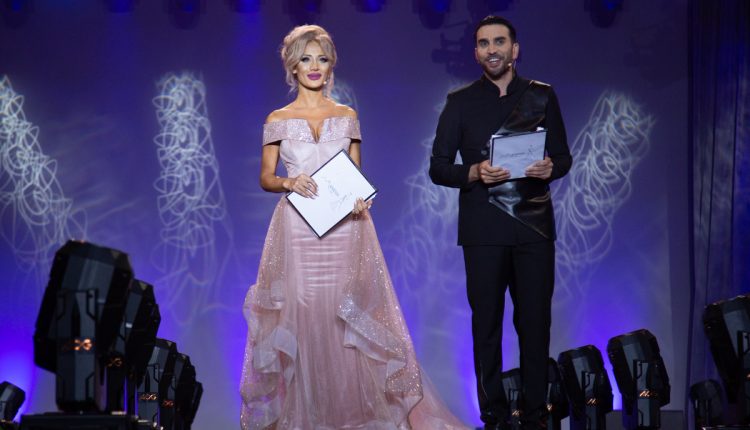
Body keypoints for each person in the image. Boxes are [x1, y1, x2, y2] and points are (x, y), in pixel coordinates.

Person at [240, 25, 467, 430]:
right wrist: (289, 182)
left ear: (331, 67)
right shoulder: (277, 119)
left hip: (345, 228)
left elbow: (355, 178)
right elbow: (266, 178)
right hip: (298, 230)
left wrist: (362, 199)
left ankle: (354, 418)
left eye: (322, 59)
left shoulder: (347, 117)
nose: (314, 66)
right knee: (303, 316)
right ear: (293, 66)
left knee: (345, 317)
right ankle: (309, 418)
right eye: (306, 59)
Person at [429, 15, 572, 430]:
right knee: (486, 326)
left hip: (534, 228)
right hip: (483, 232)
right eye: (483, 43)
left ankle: (535, 417)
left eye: (499, 42)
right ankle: (492, 416)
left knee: (534, 325)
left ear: (515, 49)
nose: (492, 50)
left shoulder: (542, 96)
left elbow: (563, 157)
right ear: (476, 53)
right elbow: (438, 167)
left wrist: (550, 167)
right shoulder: (459, 102)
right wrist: (474, 172)